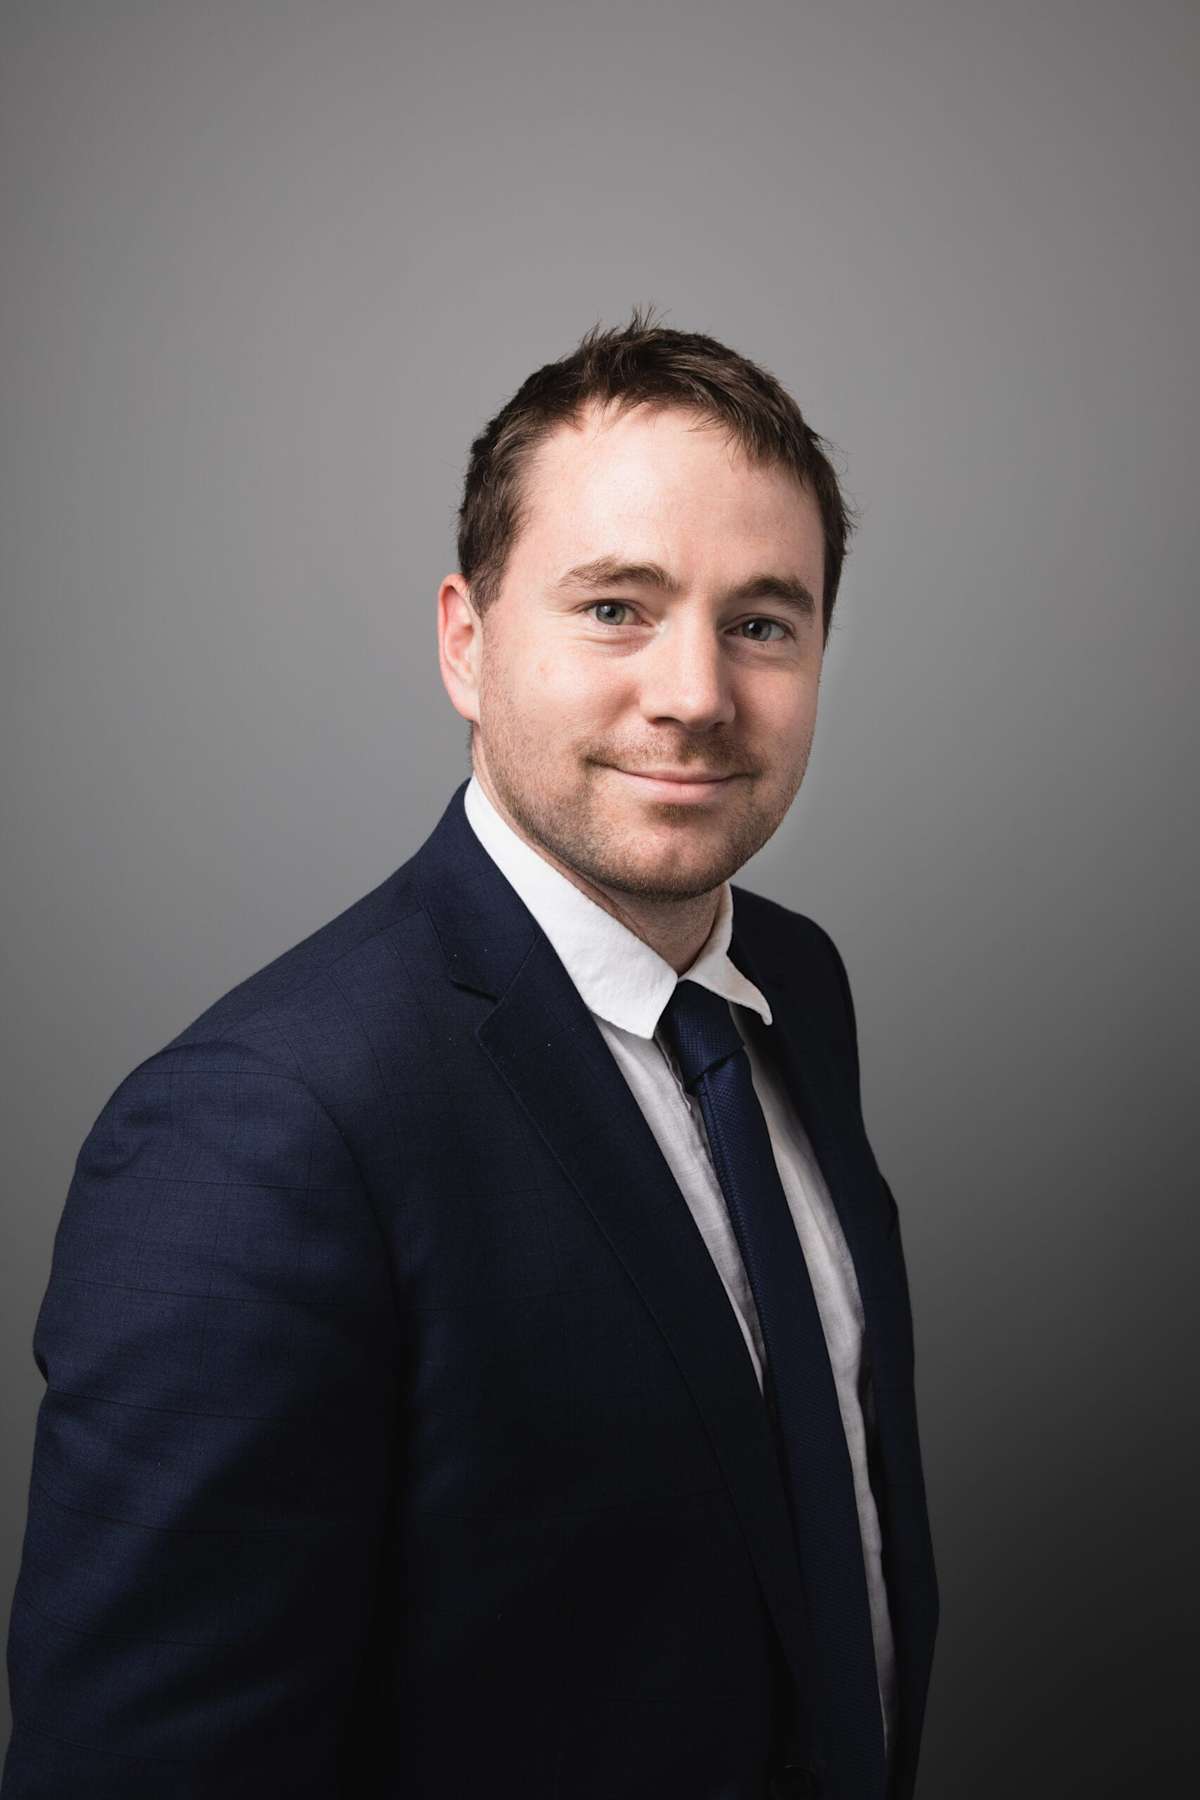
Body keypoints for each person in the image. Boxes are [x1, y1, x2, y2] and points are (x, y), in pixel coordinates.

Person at [0, 308, 938, 1800]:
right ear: (466, 640)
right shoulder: (257, 1138)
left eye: (763, 623)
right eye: (617, 607)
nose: (697, 694)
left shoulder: (794, 988)